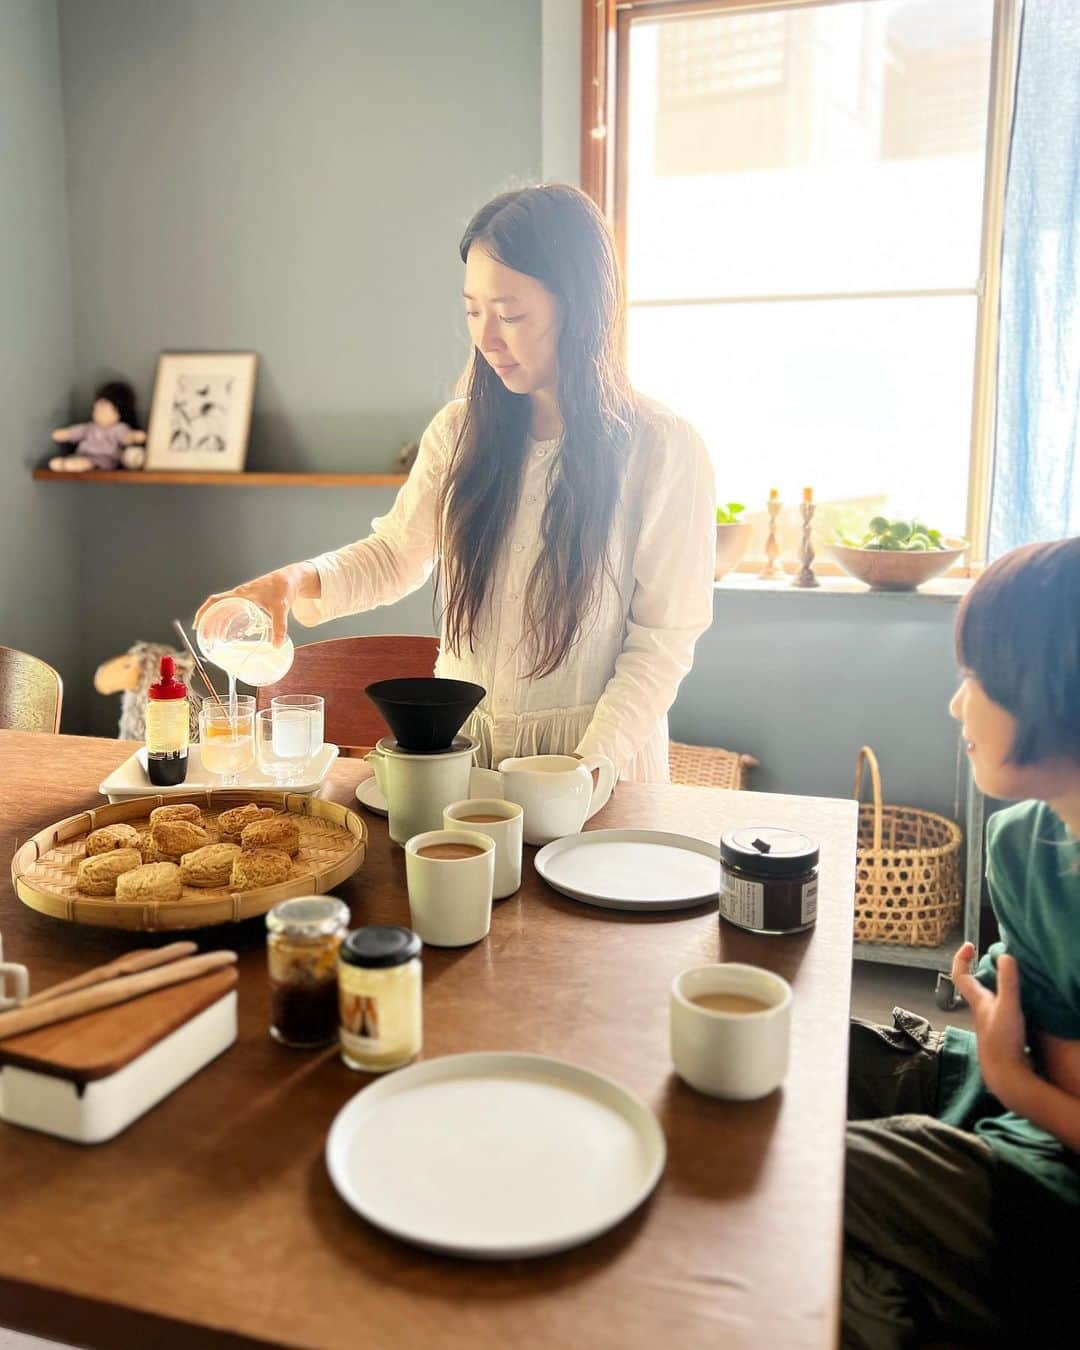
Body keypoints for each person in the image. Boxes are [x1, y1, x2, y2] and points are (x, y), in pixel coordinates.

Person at [196, 185, 716, 779]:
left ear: (580, 307)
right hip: (463, 756)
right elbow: (395, 555)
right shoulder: (460, 431)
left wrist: (581, 767)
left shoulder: (662, 447)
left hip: (600, 765)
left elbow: (664, 638)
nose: (487, 338)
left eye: (511, 314)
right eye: (473, 311)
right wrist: (292, 581)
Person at [842, 537, 1080, 1349]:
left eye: (976, 679)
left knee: (803, 1178)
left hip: (1049, 1192)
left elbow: (1050, 1101)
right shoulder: (1018, 844)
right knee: (804, 1052)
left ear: (1052, 688)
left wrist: (1015, 1080)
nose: (956, 706)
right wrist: (1005, 1063)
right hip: (999, 1101)